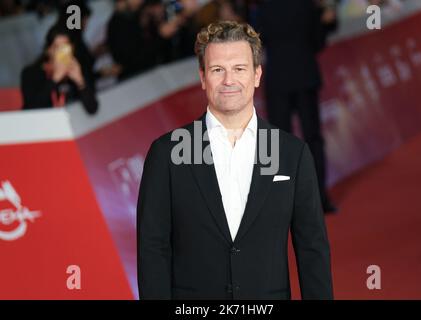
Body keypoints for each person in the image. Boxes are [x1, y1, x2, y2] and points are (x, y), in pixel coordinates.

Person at [137, 21, 333, 300]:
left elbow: (312, 247)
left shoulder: (292, 154)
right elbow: (152, 248)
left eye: (239, 69)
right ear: (203, 77)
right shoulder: (166, 153)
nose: (229, 80)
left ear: (257, 74)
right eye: (218, 70)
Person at [258, 0, 338, 213]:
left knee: (281, 146)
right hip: (305, 76)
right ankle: (320, 199)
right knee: (313, 139)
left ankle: (286, 205)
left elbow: (258, 42)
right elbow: (318, 42)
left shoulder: (263, 8)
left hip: (278, 81)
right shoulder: (307, 6)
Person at [21, 24, 98, 114]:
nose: (62, 52)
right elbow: (31, 109)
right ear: (48, 50)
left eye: (65, 47)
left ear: (72, 48)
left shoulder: (77, 67)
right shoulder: (31, 73)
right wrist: (54, 79)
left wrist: (80, 81)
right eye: (57, 47)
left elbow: (92, 109)